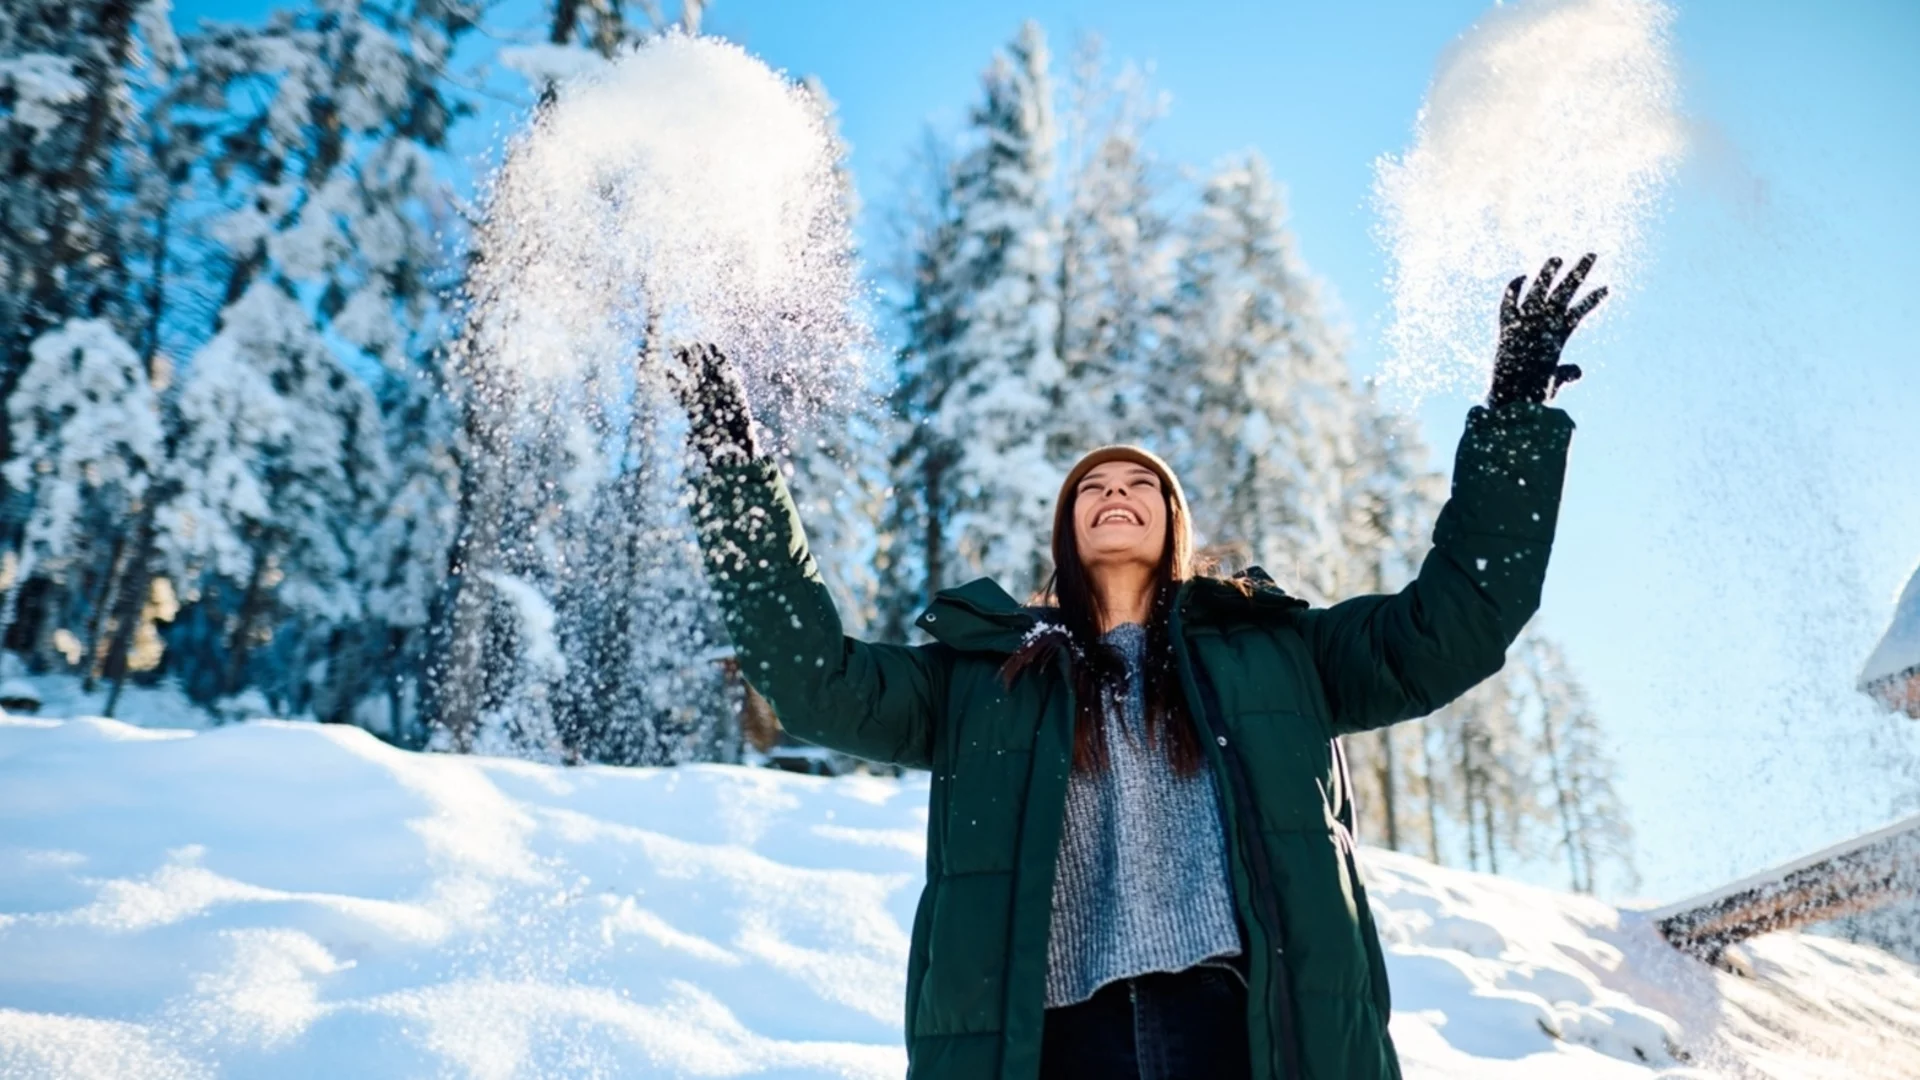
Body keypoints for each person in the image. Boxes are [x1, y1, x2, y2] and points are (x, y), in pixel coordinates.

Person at [673, 255, 1607, 1080]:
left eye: (1139, 485)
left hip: (1243, 1029)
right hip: (1054, 1042)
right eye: (1092, 486)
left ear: (1173, 523)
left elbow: (1456, 626)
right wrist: (735, 474)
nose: (1114, 493)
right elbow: (813, 679)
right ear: (1067, 530)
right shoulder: (982, 680)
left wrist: (1515, 415)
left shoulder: (1278, 652)